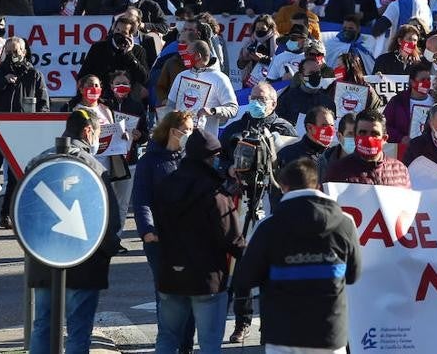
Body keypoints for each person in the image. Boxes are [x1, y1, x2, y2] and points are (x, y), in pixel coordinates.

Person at [232, 158, 361, 354]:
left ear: (284, 187)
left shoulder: (268, 228)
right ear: (317, 185)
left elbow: (245, 278)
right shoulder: (345, 223)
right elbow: (354, 275)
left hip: (283, 334)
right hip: (329, 333)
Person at [26, 110, 122, 354]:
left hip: (43, 255)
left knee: (43, 324)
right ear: (88, 131)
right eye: (98, 133)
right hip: (85, 258)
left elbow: (23, 209)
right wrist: (108, 249)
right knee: (78, 329)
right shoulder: (93, 167)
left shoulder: (37, 161)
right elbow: (110, 217)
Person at [151, 130, 245, 354]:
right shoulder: (215, 194)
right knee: (210, 343)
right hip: (207, 279)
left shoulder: (166, 185)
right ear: (210, 158)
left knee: (167, 338)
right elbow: (230, 237)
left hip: (171, 273)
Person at [132, 111, 196, 354]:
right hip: (160, 241)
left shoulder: (192, 159)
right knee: (168, 296)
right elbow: (141, 200)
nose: (189, 134)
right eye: (186, 130)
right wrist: (148, 232)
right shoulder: (150, 161)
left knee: (190, 294)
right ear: (173, 131)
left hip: (189, 241)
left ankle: (186, 346)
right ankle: (168, 345)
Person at [0, 36, 49, 227]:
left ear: (24, 52)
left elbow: (44, 105)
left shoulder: (34, 75)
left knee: (16, 175)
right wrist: (2, 81)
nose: (12, 55)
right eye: (9, 52)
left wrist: (35, 125)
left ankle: (7, 213)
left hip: (21, 132)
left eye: (16, 52)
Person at [166, 40, 237, 137]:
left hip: (204, 142)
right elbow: (170, 105)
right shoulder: (181, 75)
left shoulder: (220, 78)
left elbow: (233, 109)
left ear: (198, 56)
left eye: (188, 53)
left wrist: (213, 111)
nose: (184, 56)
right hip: (178, 139)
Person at [322, 111, 411, 187]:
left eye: (374, 134)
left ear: (384, 139)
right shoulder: (337, 170)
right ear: (355, 137)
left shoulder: (400, 170)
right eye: (363, 133)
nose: (368, 138)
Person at [383, 60, 435, 141]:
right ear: (412, 82)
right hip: (404, 149)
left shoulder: (436, 101)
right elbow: (384, 125)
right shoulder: (397, 101)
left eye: (428, 79)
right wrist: (401, 138)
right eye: (422, 80)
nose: (426, 83)